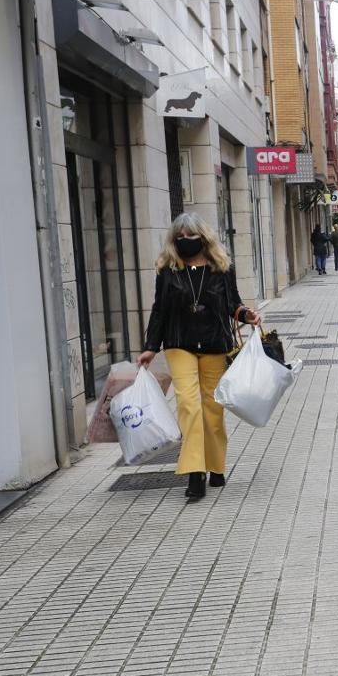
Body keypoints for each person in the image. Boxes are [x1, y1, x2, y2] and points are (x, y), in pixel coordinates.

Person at [137, 213, 261, 503]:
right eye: (179, 237)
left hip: (215, 343)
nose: (184, 241)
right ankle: (195, 471)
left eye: (190, 236)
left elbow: (233, 302)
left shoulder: (221, 267)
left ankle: (216, 465)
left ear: (203, 238)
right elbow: (160, 310)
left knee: (213, 410)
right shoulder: (168, 269)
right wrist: (151, 346)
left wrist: (247, 315)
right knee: (189, 406)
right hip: (179, 343)